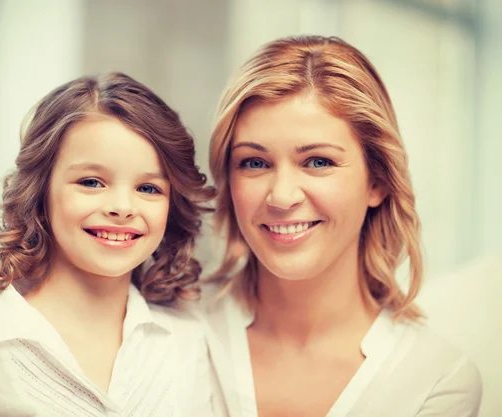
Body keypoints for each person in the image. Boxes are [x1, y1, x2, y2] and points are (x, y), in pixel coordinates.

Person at [203, 35, 482, 417]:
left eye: (318, 162)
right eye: (254, 163)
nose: (281, 197)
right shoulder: (174, 326)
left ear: (377, 181)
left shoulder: (435, 381)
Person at [0, 72, 217, 417]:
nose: (122, 207)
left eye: (148, 188)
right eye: (91, 182)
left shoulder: (191, 344)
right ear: (40, 192)